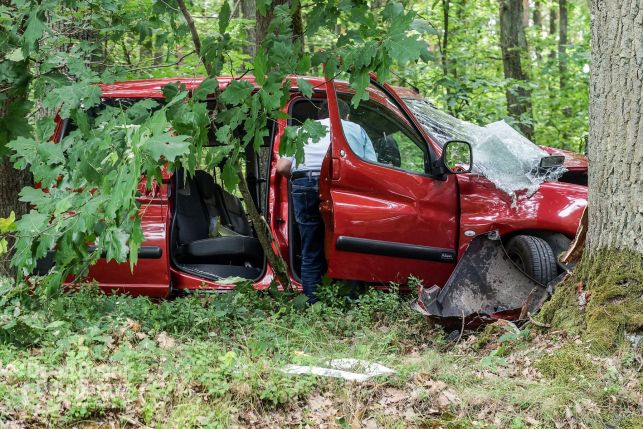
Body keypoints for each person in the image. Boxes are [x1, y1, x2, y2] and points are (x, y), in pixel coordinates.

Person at [276, 99, 376, 302]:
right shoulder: (355, 129)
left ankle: (312, 303)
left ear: (319, 117)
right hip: (338, 186)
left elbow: (282, 167)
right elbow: (370, 166)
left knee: (310, 246)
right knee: (347, 244)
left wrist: (301, 181)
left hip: (303, 182)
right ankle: (349, 299)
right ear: (345, 117)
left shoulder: (301, 131)